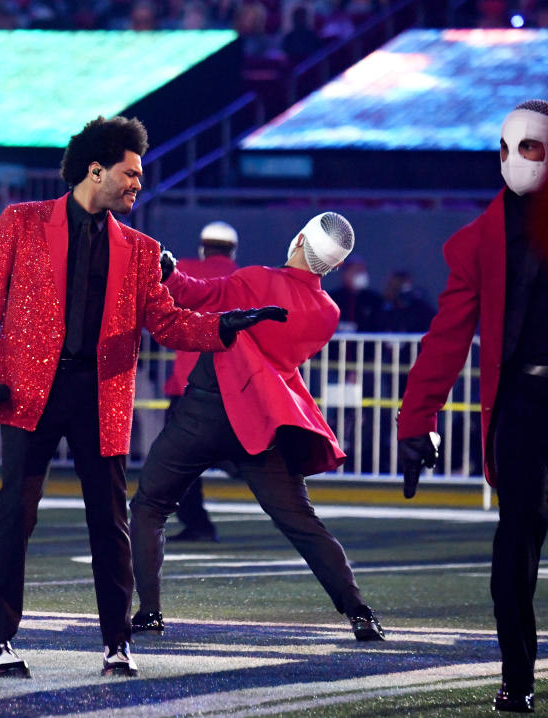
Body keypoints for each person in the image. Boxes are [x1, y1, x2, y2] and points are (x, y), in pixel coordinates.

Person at [0, 115, 286, 678]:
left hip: (98, 393)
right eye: (130, 173)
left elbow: (170, 324)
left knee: (110, 520)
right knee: (14, 516)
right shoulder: (21, 222)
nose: (138, 184)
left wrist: (226, 326)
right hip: (30, 388)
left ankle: (117, 644)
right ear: (95, 169)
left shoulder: (140, 248)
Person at [129, 211, 385, 643]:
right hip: (264, 421)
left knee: (150, 506)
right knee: (302, 522)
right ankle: (358, 610)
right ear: (336, 265)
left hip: (205, 411)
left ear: (299, 238)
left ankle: (150, 612)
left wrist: (168, 271)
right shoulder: (328, 311)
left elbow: (199, 295)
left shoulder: (258, 279)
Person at [398, 99, 548, 714]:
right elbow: (447, 337)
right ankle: (516, 677)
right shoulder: (478, 243)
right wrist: (415, 422)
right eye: (507, 148)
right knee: (513, 547)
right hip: (519, 407)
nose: (514, 160)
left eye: (530, 147)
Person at [163, 220, 240, 543]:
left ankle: (197, 522)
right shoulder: (243, 278)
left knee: (176, 462)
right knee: (242, 454)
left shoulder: (185, 270)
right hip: (232, 386)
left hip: (188, 384)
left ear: (203, 245)